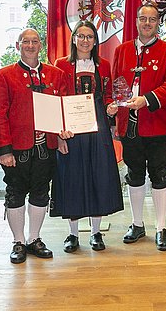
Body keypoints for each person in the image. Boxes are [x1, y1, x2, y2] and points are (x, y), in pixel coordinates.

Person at [0, 29, 67, 264]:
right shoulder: (4, 75)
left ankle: (34, 239)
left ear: (41, 45)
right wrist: (4, 149)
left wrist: (64, 133)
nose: (31, 45)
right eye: (26, 42)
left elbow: (63, 108)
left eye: (35, 42)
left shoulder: (56, 74)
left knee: (40, 190)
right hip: (17, 148)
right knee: (15, 191)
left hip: (47, 145)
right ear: (18, 45)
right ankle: (18, 241)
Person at [112, 3, 166, 251]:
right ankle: (137, 224)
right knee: (135, 174)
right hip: (128, 127)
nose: (147, 23)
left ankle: (161, 228)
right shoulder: (121, 50)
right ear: (137, 21)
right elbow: (116, 83)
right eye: (143, 19)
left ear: (158, 22)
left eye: (152, 19)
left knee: (159, 175)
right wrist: (114, 108)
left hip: (157, 124)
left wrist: (146, 100)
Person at [52, 20, 123, 252]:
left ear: (95, 41)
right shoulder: (61, 64)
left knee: (97, 176)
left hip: (98, 127)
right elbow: (57, 101)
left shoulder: (103, 64)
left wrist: (112, 107)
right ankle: (72, 234)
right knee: (73, 177)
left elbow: (110, 93)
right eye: (80, 36)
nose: (85, 40)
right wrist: (59, 135)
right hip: (71, 129)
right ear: (73, 39)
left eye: (89, 36)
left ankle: (95, 233)